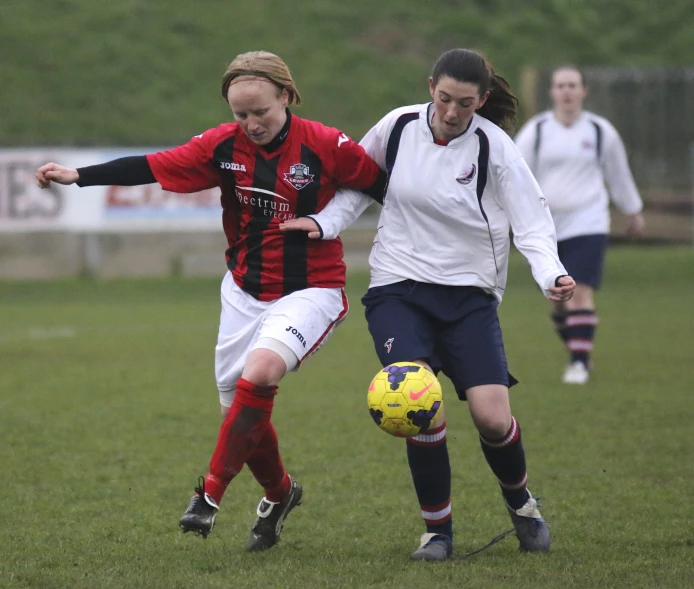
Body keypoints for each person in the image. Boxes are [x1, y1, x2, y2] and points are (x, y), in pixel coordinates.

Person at [35, 50, 387, 551]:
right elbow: (154, 166)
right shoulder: (224, 146)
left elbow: (380, 187)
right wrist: (80, 175)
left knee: (260, 374)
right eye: (240, 114)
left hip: (312, 289)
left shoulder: (328, 145)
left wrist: (333, 224)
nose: (252, 123)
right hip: (244, 291)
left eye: (260, 111)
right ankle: (280, 494)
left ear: (286, 96)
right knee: (241, 415)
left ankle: (209, 494)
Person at [279, 48, 576, 561]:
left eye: (465, 102)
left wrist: (551, 271)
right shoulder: (397, 127)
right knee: (418, 402)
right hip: (398, 289)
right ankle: (437, 533)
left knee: (491, 418)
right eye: (444, 98)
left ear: (482, 100)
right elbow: (361, 184)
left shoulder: (494, 146)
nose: (453, 111)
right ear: (430, 86)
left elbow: (531, 221)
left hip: (469, 297)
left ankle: (522, 504)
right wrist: (324, 222)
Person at [514, 65, 645, 385]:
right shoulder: (537, 131)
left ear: (584, 91)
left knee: (580, 292)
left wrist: (633, 210)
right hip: (546, 229)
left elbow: (618, 174)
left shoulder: (601, 132)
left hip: (589, 222)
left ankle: (579, 363)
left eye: (573, 85)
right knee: (558, 301)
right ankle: (577, 343)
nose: (567, 91)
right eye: (561, 86)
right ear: (552, 92)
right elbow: (514, 173)